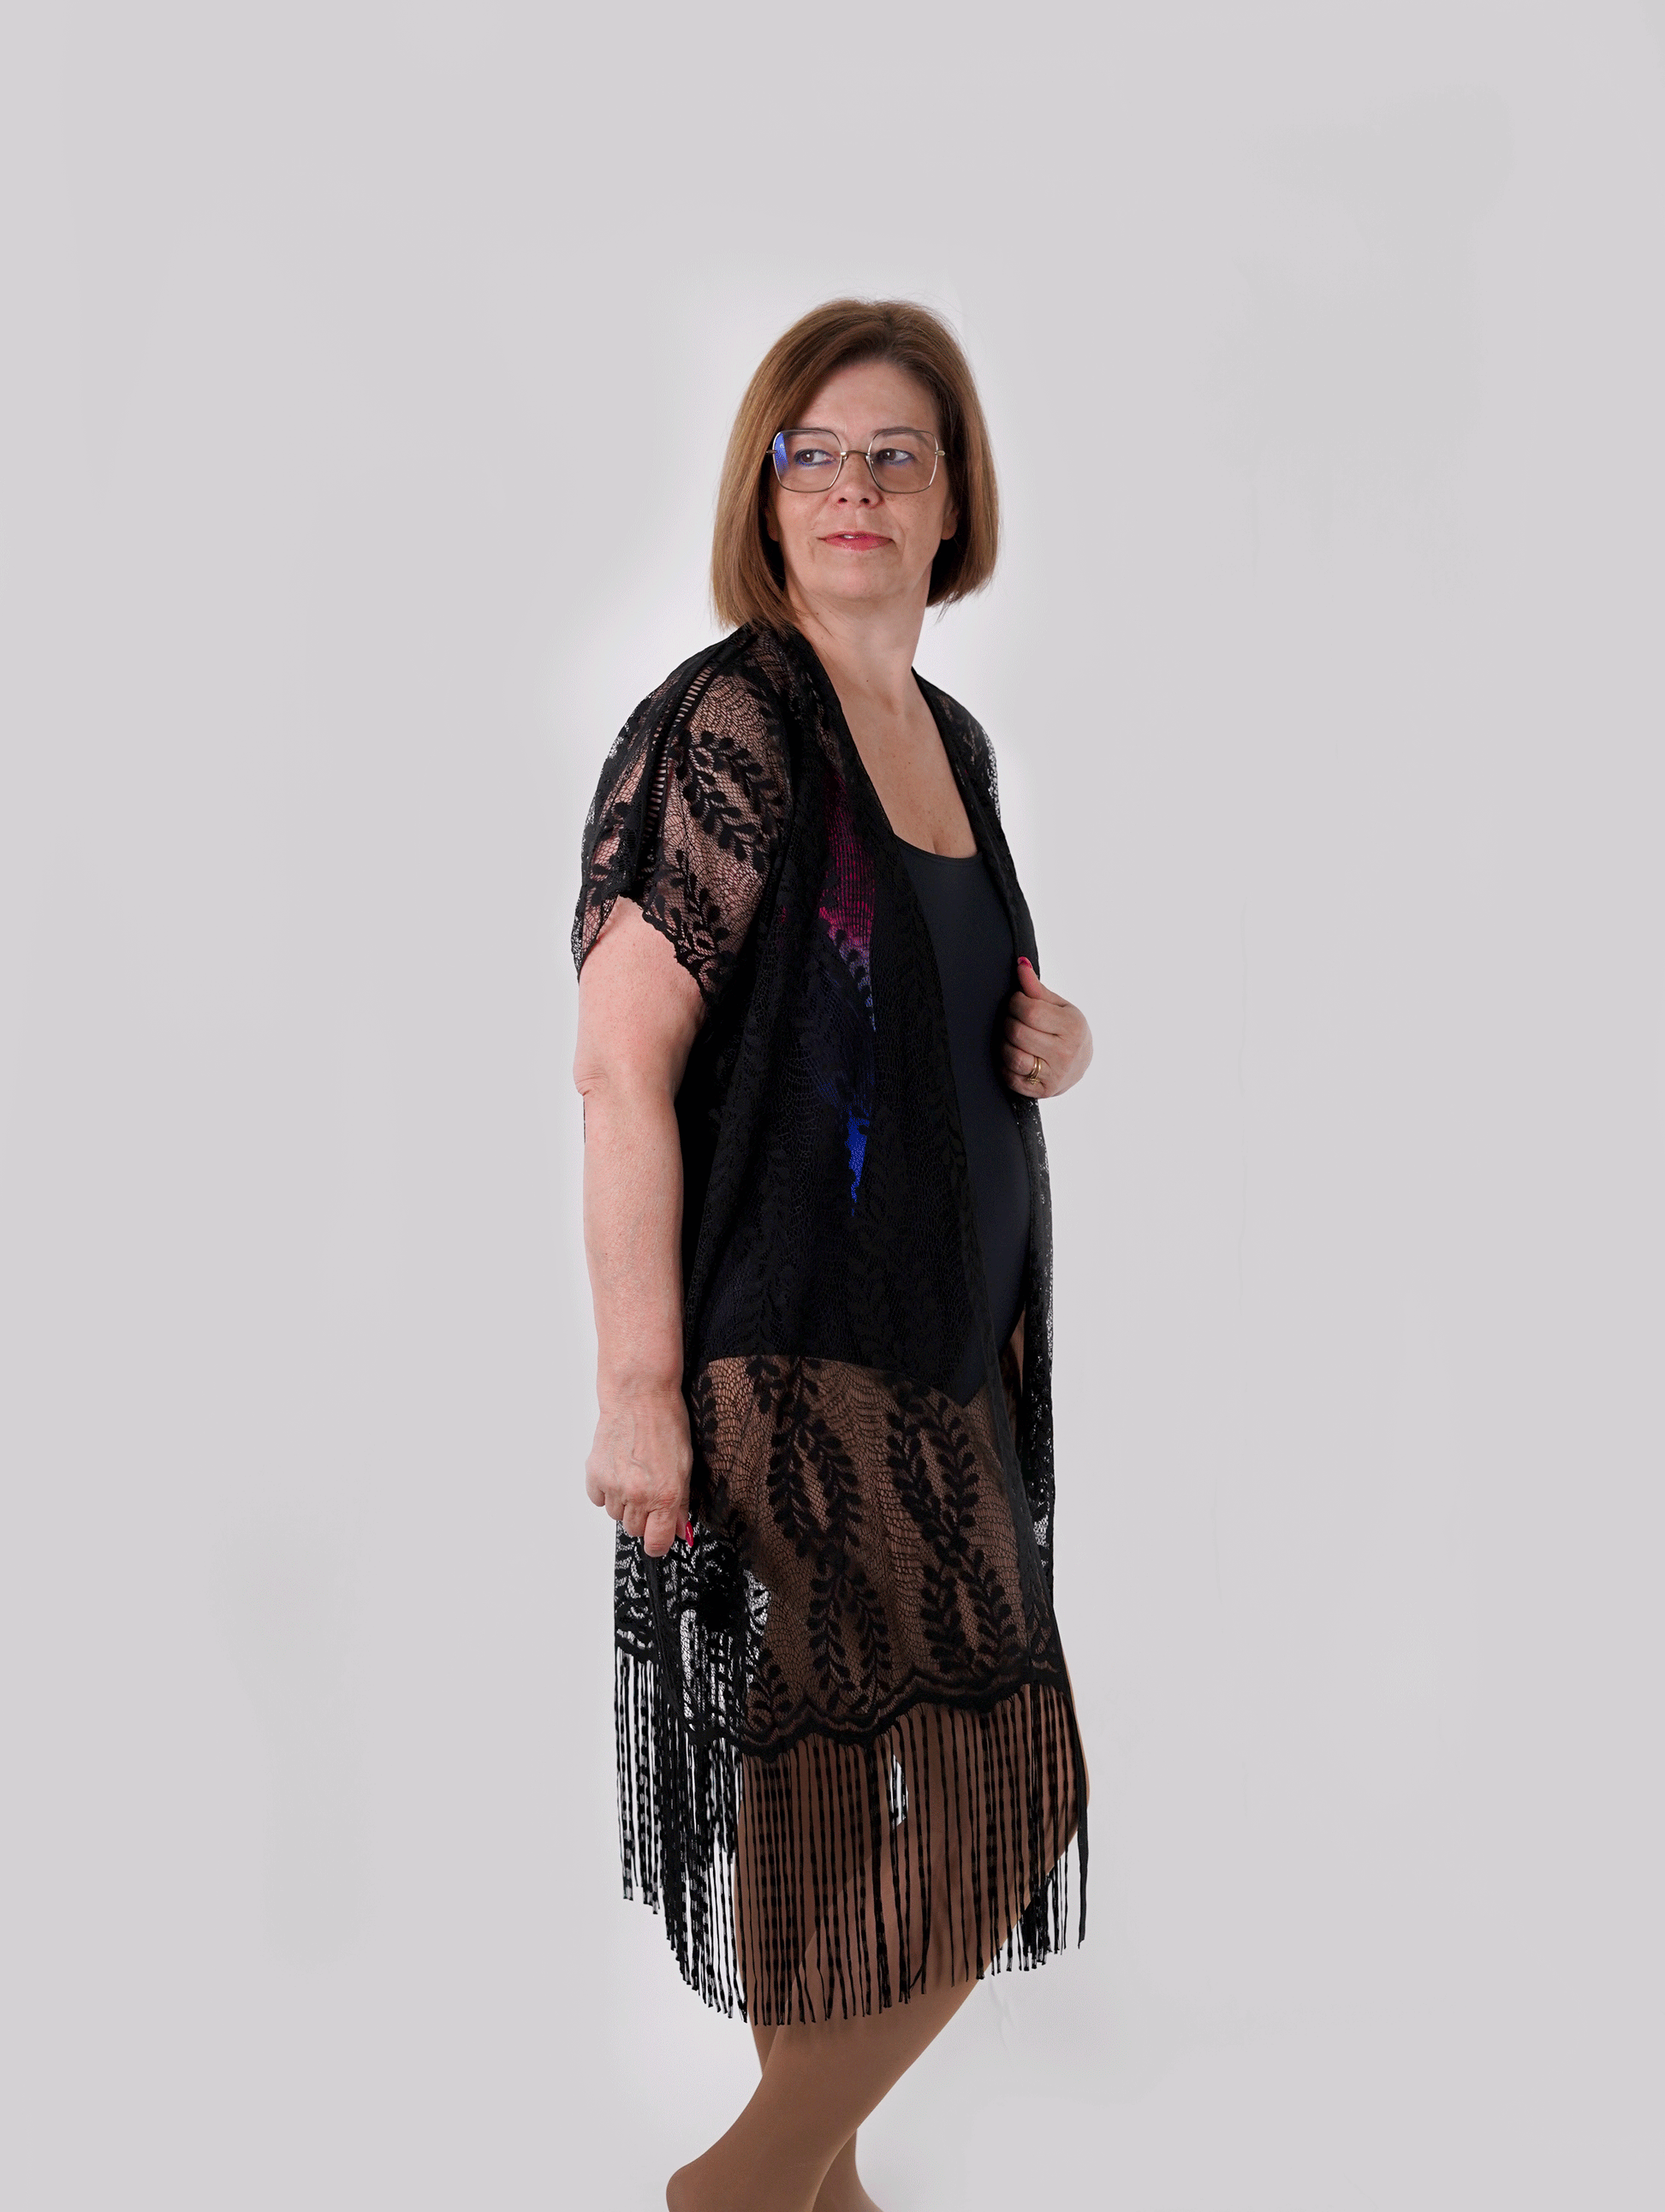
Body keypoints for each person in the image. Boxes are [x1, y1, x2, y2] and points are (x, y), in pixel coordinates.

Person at [572, 299, 1095, 2212]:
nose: (854, 487)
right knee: (1006, 1792)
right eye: (816, 453)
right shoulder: (737, 718)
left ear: (954, 500)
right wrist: (637, 1388)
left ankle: (820, 2191)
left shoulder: (948, 740)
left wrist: (1055, 1043)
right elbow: (619, 1063)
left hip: (947, 1359)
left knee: (825, 1797)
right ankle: (740, 2187)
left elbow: (932, 1023)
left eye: (896, 455)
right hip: (793, 1355)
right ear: (765, 490)